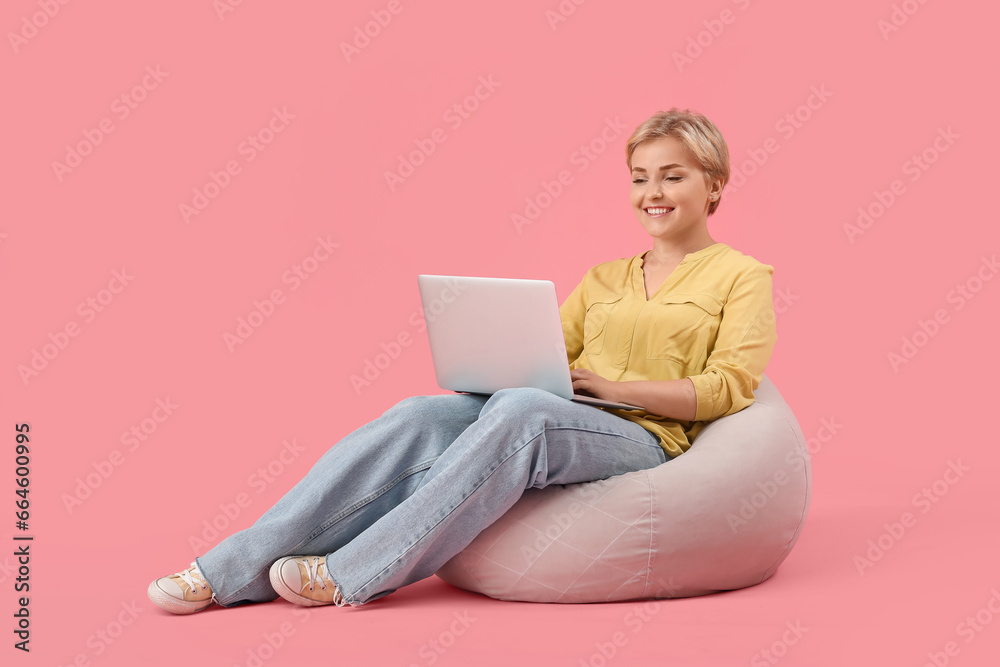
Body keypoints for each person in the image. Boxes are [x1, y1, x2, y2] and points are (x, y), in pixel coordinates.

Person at [147, 108, 777, 614]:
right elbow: (548, 351)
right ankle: (227, 568)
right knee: (420, 415)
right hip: (559, 409)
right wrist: (498, 358)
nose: (652, 192)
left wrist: (611, 387)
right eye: (640, 176)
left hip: (646, 435)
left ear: (714, 183)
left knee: (526, 411)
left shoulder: (742, 276)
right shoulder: (606, 276)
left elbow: (727, 389)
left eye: (673, 175)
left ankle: (353, 572)